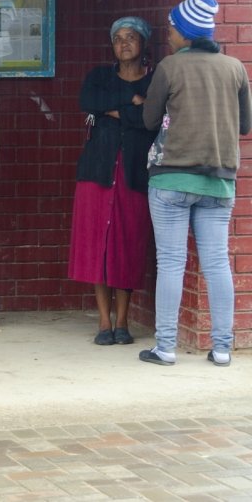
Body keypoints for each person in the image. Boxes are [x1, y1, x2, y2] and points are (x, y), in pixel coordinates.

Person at [139, 0, 252, 368]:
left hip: (172, 178)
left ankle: (165, 347)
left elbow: (150, 120)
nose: (168, 33)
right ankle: (222, 349)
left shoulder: (169, 67)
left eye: (172, 28)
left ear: (185, 32)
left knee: (171, 262)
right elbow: (245, 125)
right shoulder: (235, 68)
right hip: (219, 181)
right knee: (217, 263)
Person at [68, 17, 157, 346]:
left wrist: (117, 108)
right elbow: (89, 102)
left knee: (127, 245)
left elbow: (150, 119)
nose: (124, 44)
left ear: (143, 43)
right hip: (97, 171)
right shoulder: (99, 76)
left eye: (131, 37)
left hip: (134, 174)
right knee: (98, 246)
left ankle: (123, 321)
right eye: (118, 38)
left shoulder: (154, 80)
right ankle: (104, 321)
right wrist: (132, 103)